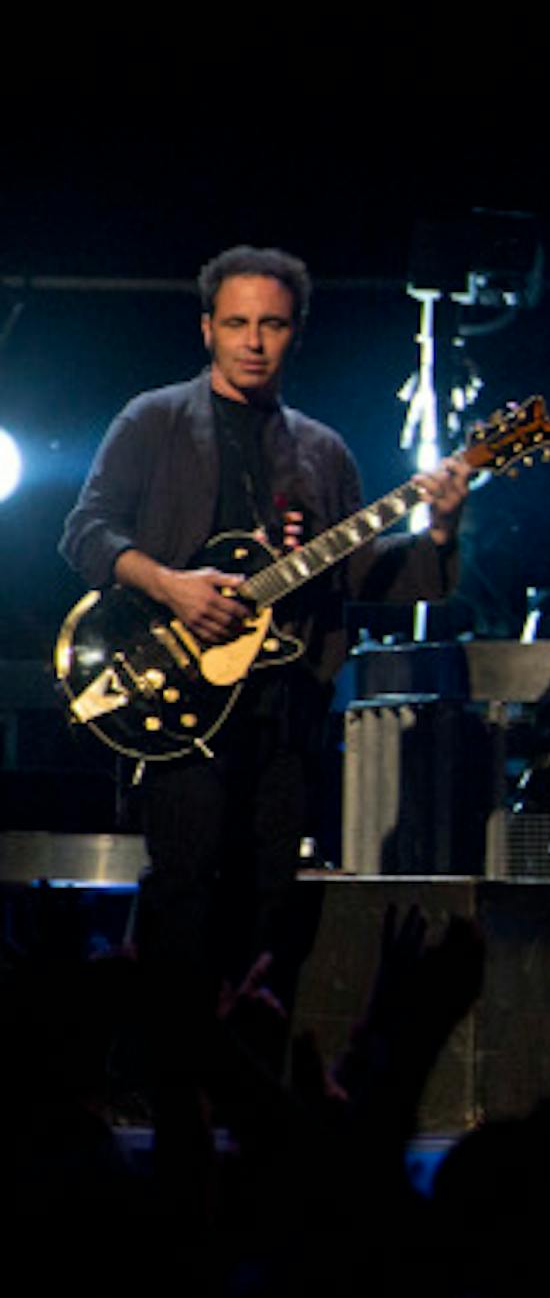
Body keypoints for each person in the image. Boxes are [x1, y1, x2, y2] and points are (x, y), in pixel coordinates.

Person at [61, 245, 471, 1003]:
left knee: (270, 897)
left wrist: (442, 531)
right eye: (239, 323)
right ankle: (158, 1080)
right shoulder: (153, 421)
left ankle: (244, 1078)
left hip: (283, 708)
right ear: (208, 328)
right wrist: (173, 586)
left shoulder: (320, 451)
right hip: (178, 697)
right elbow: (86, 533)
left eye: (273, 324)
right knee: (185, 888)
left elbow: (362, 571)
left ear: (295, 333)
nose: (254, 340)